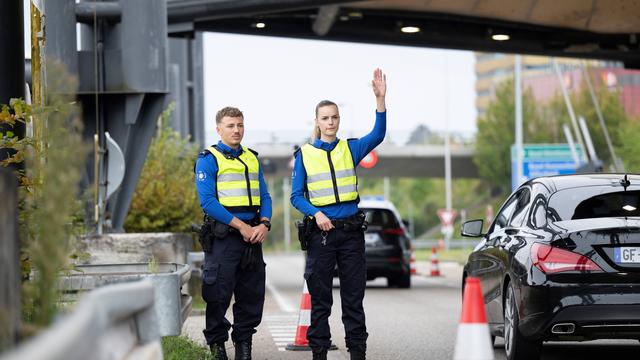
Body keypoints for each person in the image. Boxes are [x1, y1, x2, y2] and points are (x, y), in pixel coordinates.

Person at [290, 68, 387, 360]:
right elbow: (296, 196)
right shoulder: (304, 155)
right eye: (325, 118)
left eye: (334, 117)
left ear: (338, 120)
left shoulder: (351, 148)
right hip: (321, 235)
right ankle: (319, 352)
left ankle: (357, 352)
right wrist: (316, 214)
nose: (330, 122)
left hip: (350, 235)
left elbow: (378, 133)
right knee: (320, 301)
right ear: (317, 122)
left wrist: (380, 100)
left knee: (353, 299)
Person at [194, 106, 272, 360]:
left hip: (252, 239)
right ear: (219, 129)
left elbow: (265, 196)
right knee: (217, 295)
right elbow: (208, 202)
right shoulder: (208, 159)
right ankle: (217, 348)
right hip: (223, 239)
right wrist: (242, 226)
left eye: (240, 125)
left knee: (251, 296)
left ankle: (243, 346)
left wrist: (264, 224)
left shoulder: (252, 157)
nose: (236, 130)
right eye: (230, 126)